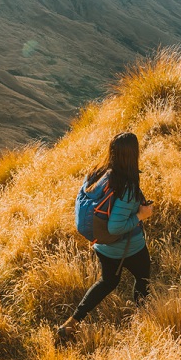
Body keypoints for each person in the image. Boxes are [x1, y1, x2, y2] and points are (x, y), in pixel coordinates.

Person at [58, 132, 153, 340]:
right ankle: (142, 322)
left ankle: (72, 322)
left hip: (101, 246)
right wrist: (140, 215)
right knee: (143, 278)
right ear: (133, 154)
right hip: (128, 247)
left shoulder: (97, 173)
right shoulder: (126, 186)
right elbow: (116, 228)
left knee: (108, 282)